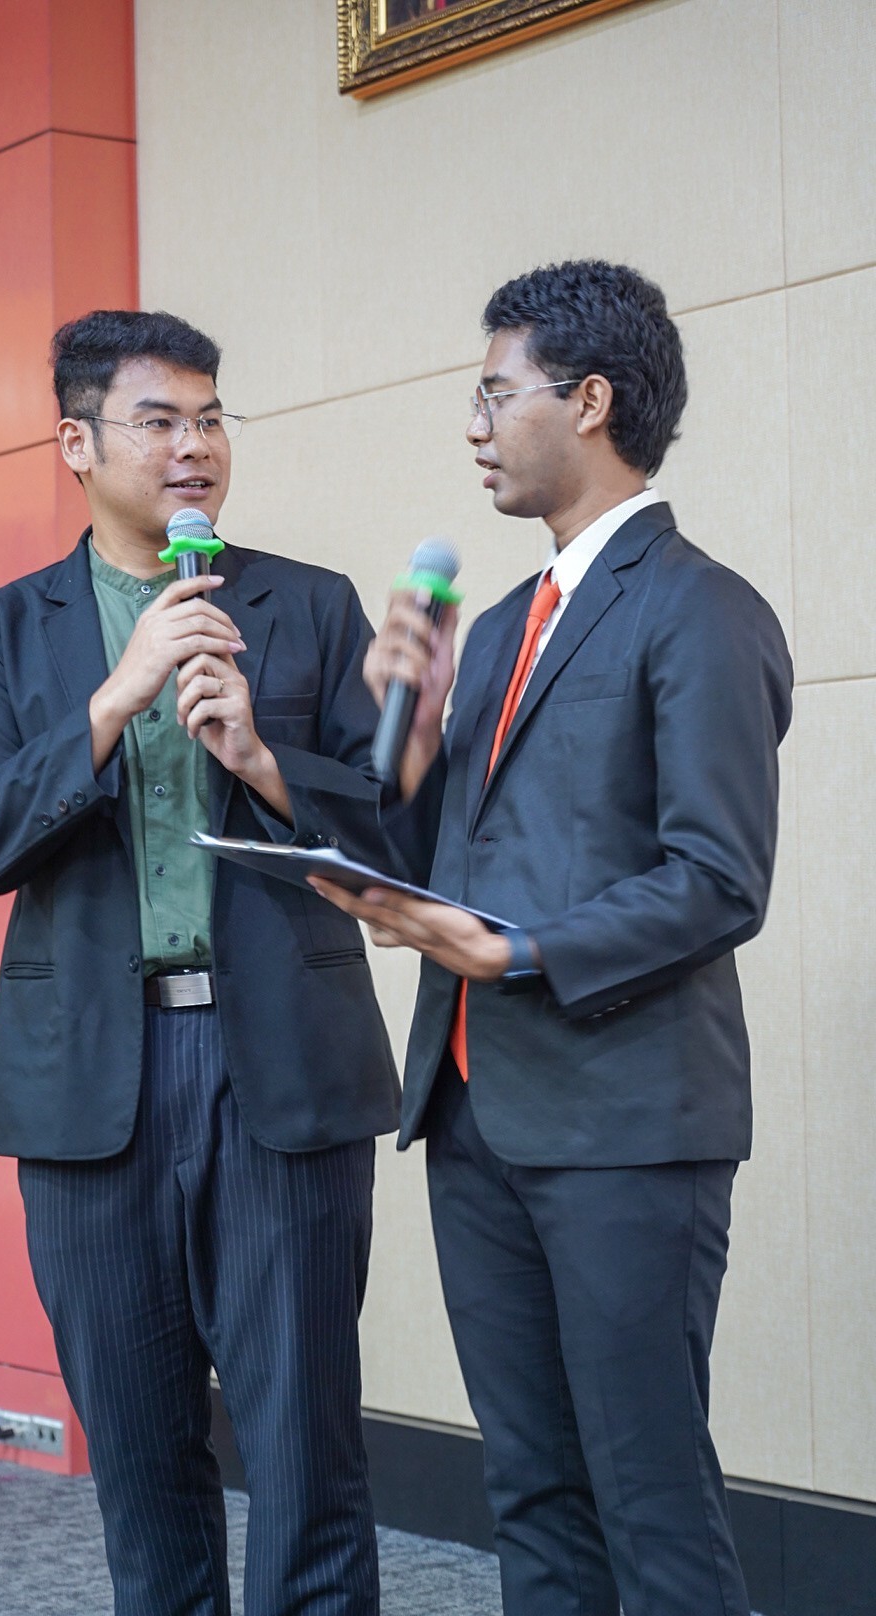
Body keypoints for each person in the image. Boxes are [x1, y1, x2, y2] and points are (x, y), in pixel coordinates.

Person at [312, 260, 792, 1615]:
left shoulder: (701, 607)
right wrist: (406, 733)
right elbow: (443, 862)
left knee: (650, 1499)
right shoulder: (505, 627)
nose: (472, 425)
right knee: (530, 1492)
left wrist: (519, 955)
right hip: (476, 1115)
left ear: (588, 401)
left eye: (494, 393)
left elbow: (719, 879)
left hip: (627, 1125)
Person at [0, 308, 400, 1616]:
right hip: (91, 1083)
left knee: (307, 1451)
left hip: (280, 1072)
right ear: (76, 443)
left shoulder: (306, 606)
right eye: (159, 420)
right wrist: (114, 697)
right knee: (141, 1463)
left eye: (210, 419)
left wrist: (264, 761)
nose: (194, 447)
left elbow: (393, 828)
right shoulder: (6, 630)